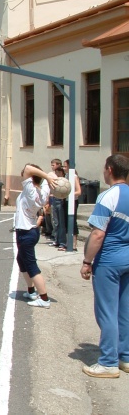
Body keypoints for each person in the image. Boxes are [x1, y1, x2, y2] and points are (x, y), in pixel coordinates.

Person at [81, 154, 129, 378]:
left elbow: (98, 234)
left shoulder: (107, 196)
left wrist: (87, 261)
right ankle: (125, 357)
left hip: (109, 260)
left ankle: (108, 362)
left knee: (107, 311)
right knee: (125, 310)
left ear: (109, 169)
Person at [14, 164, 56, 308]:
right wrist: (48, 178)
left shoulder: (30, 190)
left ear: (30, 178)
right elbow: (48, 177)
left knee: (31, 265)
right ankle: (31, 291)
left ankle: (44, 298)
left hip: (25, 232)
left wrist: (47, 176)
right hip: (31, 231)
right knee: (21, 260)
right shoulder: (43, 191)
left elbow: (27, 168)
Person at [61, 159, 81, 251]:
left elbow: (79, 191)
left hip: (73, 202)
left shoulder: (74, 176)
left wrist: (68, 194)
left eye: (65, 166)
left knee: (72, 222)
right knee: (66, 222)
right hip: (66, 201)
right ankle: (68, 243)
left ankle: (73, 244)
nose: (63, 168)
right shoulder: (66, 176)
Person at [50, 166, 67, 249]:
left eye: (57, 172)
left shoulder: (64, 181)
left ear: (61, 172)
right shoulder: (56, 180)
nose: (56, 174)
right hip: (54, 200)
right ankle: (56, 240)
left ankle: (62, 242)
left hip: (60, 201)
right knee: (55, 222)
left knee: (61, 223)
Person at [47, 159, 63, 245]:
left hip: (58, 199)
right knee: (54, 219)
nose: (52, 167)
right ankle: (56, 237)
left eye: (53, 165)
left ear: (58, 165)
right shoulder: (51, 174)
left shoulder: (61, 177)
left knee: (58, 220)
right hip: (53, 198)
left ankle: (58, 239)